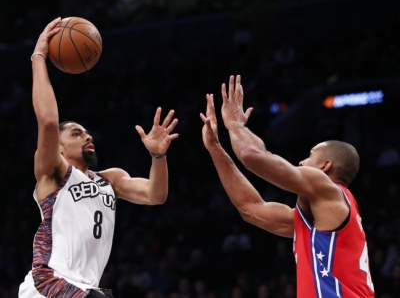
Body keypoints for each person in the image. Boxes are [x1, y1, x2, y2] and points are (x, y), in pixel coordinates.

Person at [19, 18, 179, 298]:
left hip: (84, 287)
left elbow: (156, 194)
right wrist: (39, 56)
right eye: (77, 133)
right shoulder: (54, 173)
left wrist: (157, 155)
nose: (88, 137)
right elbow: (47, 121)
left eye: (88, 133)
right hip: (49, 282)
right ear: (58, 147)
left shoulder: (111, 180)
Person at [200, 75, 375, 297]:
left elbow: (252, 155)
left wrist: (234, 125)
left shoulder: (328, 189)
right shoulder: (320, 221)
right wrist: (215, 149)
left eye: (310, 155)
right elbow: (251, 209)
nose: (302, 162)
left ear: (325, 166)